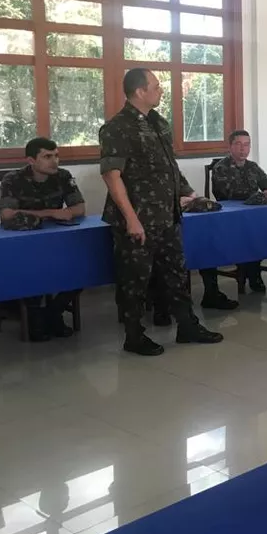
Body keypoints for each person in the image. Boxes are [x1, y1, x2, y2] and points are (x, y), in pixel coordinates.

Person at [99, 68, 223, 356]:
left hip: (167, 216)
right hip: (138, 218)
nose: (161, 90)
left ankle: (187, 326)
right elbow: (111, 176)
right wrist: (131, 219)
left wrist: (189, 193)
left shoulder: (158, 123)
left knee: (177, 273)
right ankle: (134, 336)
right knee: (135, 279)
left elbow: (170, 167)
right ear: (140, 91)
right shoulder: (117, 127)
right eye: (156, 86)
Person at [0, 137, 85, 341]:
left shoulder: (63, 176)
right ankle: (36, 317)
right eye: (47, 157)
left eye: (56, 156)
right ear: (31, 160)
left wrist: (58, 214)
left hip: (56, 240)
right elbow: (7, 214)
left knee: (85, 266)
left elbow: (79, 208)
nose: (55, 161)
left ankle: (51, 313)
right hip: (23, 243)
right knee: (31, 268)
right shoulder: (13, 179)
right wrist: (52, 212)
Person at [198, 130, 267, 307]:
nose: (243, 149)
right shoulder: (221, 167)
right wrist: (261, 194)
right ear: (230, 146)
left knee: (266, 231)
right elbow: (229, 193)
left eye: (247, 144)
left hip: (252, 216)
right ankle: (251, 271)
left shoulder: (253, 167)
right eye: (239, 144)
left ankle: (253, 271)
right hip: (229, 218)